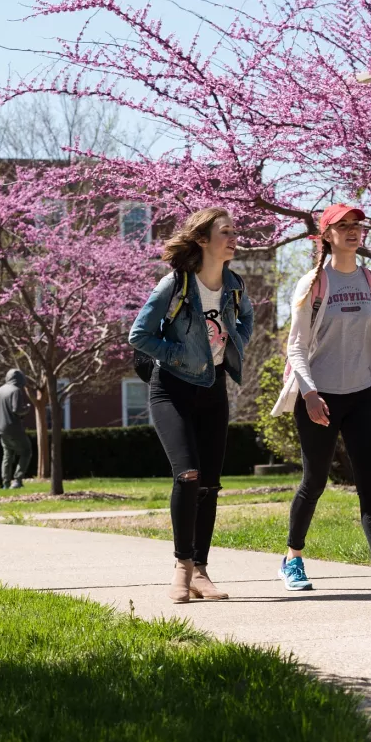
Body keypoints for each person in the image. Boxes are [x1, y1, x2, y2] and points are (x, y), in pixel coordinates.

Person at [271, 204, 371, 594]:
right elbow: (294, 348)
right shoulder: (313, 282)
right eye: (342, 226)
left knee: (369, 482)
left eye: (356, 225)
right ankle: (292, 558)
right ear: (326, 235)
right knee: (314, 481)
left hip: (361, 395)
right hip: (319, 396)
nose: (352, 231)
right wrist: (310, 394)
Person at [129, 207, 255, 604]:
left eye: (235, 230)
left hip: (214, 390)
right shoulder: (176, 283)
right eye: (225, 231)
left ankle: (201, 571)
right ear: (202, 239)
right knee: (188, 475)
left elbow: (246, 321)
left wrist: (232, 345)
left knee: (211, 485)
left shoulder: (234, 285)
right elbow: (140, 335)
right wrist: (180, 355)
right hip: (172, 389)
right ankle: (182, 568)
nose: (234, 237)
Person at [0, 368, 32, 490]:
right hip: (13, 427)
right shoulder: (15, 391)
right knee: (26, 451)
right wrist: (27, 408)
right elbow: (17, 410)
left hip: (0, 428)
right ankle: (18, 480)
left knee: (7, 454)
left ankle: (5, 483)